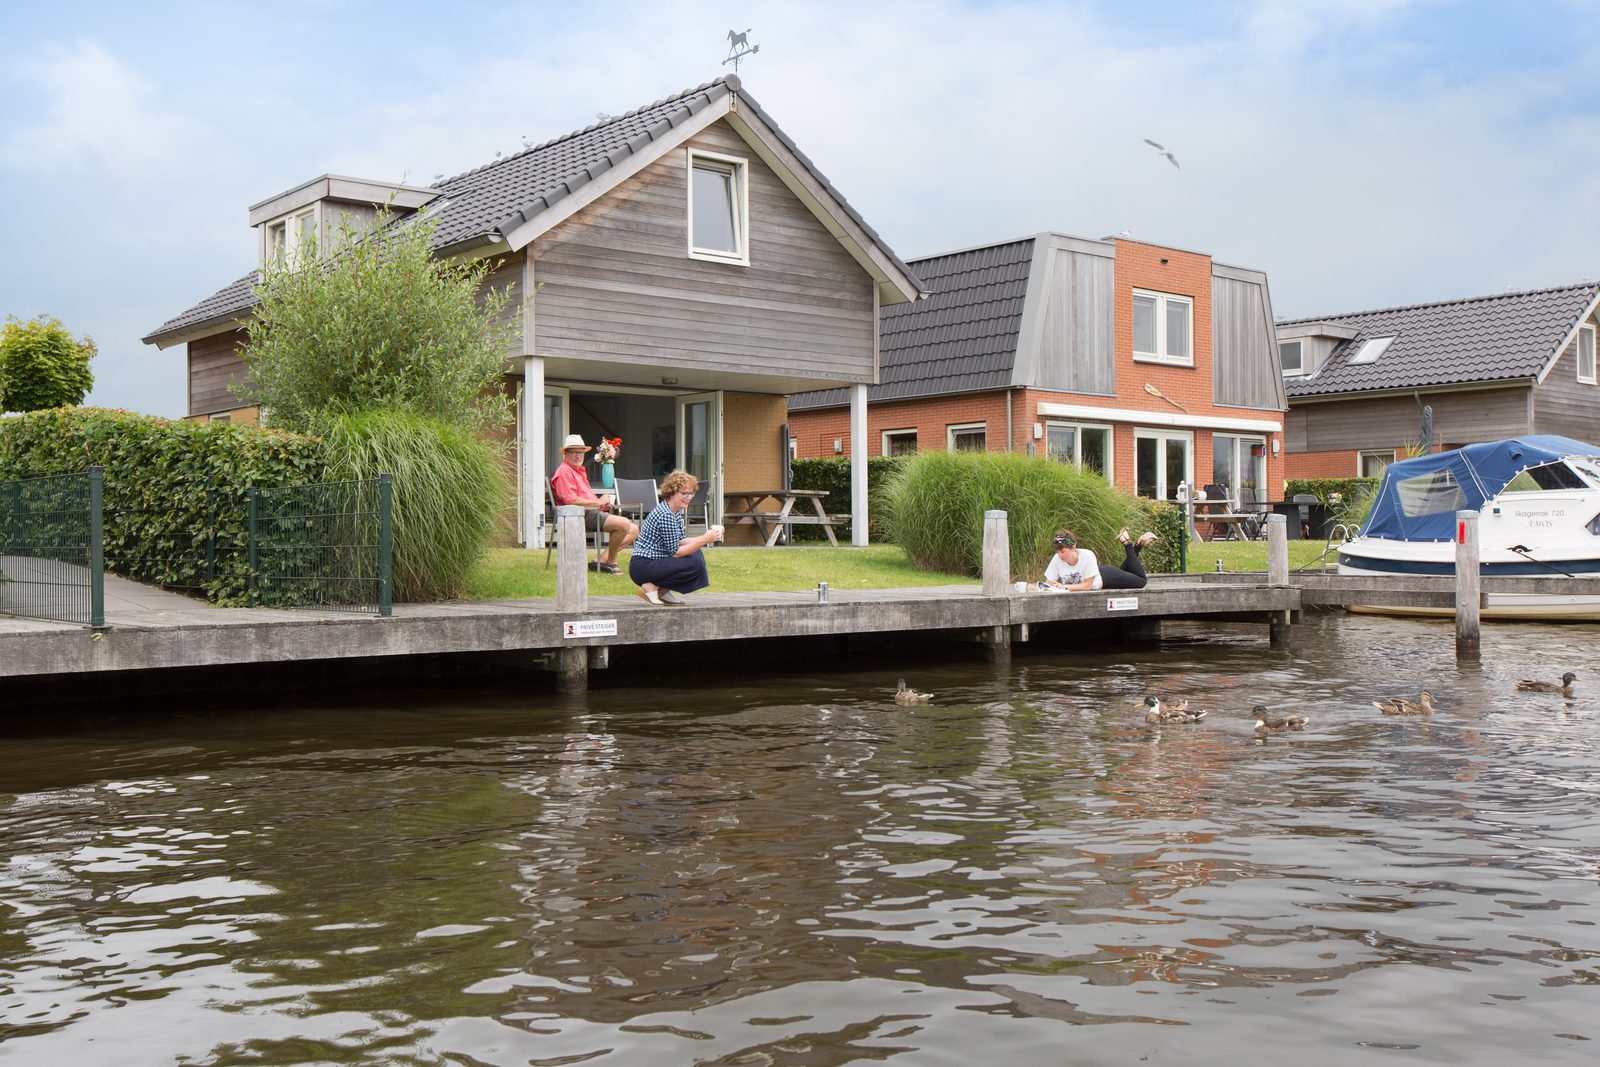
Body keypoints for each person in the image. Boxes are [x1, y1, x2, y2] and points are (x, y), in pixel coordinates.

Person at [628, 469, 723, 605]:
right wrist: (705, 539)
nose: (689, 497)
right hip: (643, 566)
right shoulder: (665, 514)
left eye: (691, 493)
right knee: (694, 562)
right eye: (684, 493)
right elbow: (677, 552)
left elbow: (681, 541)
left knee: (696, 555)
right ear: (671, 493)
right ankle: (652, 587)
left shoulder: (674, 511)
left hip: (653, 563)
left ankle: (662, 591)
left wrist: (709, 535)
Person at [550, 433, 637, 574]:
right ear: (565, 453)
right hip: (577, 516)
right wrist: (598, 503)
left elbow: (585, 497)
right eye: (575, 452)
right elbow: (571, 500)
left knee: (634, 530)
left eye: (581, 452)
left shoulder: (579, 471)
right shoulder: (564, 472)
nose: (579, 456)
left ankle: (601, 560)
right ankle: (612, 561)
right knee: (624, 524)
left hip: (589, 513)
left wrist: (602, 505)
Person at [1041, 527, 1157, 591]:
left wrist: (1065, 586)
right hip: (1094, 573)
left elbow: (1087, 586)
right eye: (1057, 551)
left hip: (1107, 578)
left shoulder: (1087, 555)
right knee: (1127, 572)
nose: (1059, 555)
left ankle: (1127, 543)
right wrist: (1038, 587)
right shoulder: (1057, 559)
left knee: (1141, 581)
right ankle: (1138, 546)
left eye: (1062, 551)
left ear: (1073, 547)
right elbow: (1049, 583)